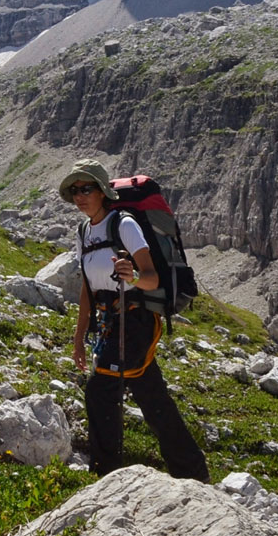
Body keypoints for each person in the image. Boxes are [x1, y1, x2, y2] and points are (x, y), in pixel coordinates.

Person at [63, 159, 209, 481]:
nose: (80, 196)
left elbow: (152, 279)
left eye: (86, 188)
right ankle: (192, 471)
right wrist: (78, 336)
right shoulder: (83, 233)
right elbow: (88, 288)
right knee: (150, 395)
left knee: (99, 390)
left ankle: (105, 475)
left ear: (102, 191)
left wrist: (132, 277)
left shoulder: (125, 224)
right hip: (110, 324)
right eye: (75, 190)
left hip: (139, 320)